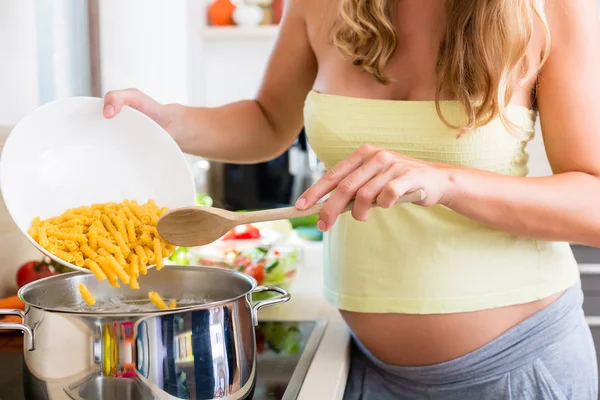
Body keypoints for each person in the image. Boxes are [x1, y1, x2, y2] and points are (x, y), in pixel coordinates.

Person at [103, 0, 600, 398]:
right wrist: (168, 123)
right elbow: (268, 121)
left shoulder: (548, 8)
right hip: (362, 366)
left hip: (514, 372)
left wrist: (448, 182)